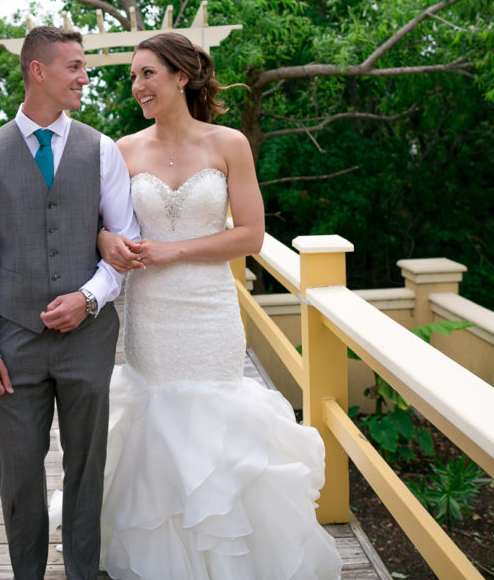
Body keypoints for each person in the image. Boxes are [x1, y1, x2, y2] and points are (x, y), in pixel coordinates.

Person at [96, 32, 342, 579]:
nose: (137, 86)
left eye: (148, 74)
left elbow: (251, 236)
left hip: (209, 313)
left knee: (215, 417)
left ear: (182, 77)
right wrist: (108, 243)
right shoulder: (123, 150)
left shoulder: (229, 144)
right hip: (151, 315)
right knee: (156, 418)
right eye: (134, 76)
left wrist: (172, 250)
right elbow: (101, 230)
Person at [0, 25, 139, 580]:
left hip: (88, 338)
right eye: (75, 67)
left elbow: (123, 243)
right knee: (16, 470)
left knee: (87, 465)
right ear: (38, 71)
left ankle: (84, 572)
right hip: (13, 343)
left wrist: (89, 298)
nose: (85, 77)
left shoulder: (102, 150)